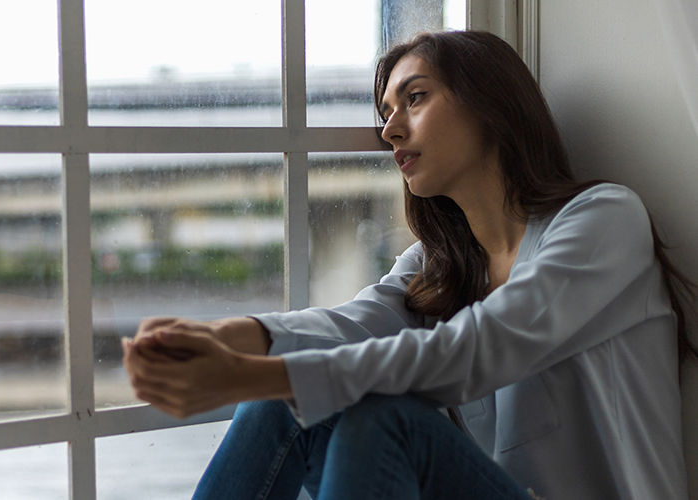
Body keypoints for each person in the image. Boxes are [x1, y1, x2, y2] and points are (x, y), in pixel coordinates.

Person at [121, 30, 692, 499]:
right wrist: (225, 336)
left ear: (490, 102)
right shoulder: (438, 266)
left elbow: (482, 346)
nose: (390, 129)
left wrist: (253, 374)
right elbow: (348, 325)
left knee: (378, 420)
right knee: (287, 401)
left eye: (414, 99)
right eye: (387, 111)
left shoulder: (603, 219)